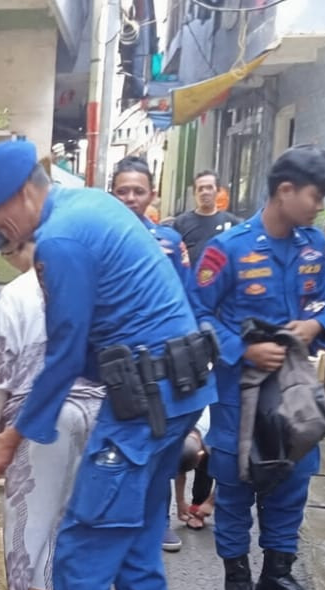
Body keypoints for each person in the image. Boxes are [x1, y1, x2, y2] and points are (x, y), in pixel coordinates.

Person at [0, 141, 217, 590]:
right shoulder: (89, 206)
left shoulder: (62, 240)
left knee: (81, 547)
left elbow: (66, 352)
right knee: (137, 535)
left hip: (143, 406)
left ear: (26, 190)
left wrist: (13, 434)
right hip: (172, 394)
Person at [189, 146, 325, 590]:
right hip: (241, 393)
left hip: (295, 391)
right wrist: (243, 349)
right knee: (236, 486)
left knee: (292, 481)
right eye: (316, 196)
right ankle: (237, 581)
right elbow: (197, 312)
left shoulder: (314, 246)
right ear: (285, 191)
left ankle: (276, 576)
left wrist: (316, 325)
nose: (320, 206)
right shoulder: (229, 248)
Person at [0, 235, 104, 590]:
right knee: (79, 525)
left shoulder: (16, 295)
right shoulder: (90, 279)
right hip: (101, 413)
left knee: (35, 528)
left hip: (42, 422)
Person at [109, 156, 197, 551]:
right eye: (122, 191)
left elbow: (186, 300)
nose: (130, 198)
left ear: (152, 195)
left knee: (159, 443)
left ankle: (157, 521)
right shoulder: (99, 237)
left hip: (161, 362)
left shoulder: (169, 242)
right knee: (115, 447)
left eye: (138, 191)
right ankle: (116, 523)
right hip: (113, 360)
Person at [174, 170, 242, 265]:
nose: (204, 192)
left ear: (218, 191)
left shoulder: (232, 223)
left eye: (209, 188)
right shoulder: (181, 223)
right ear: (194, 193)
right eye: (200, 189)